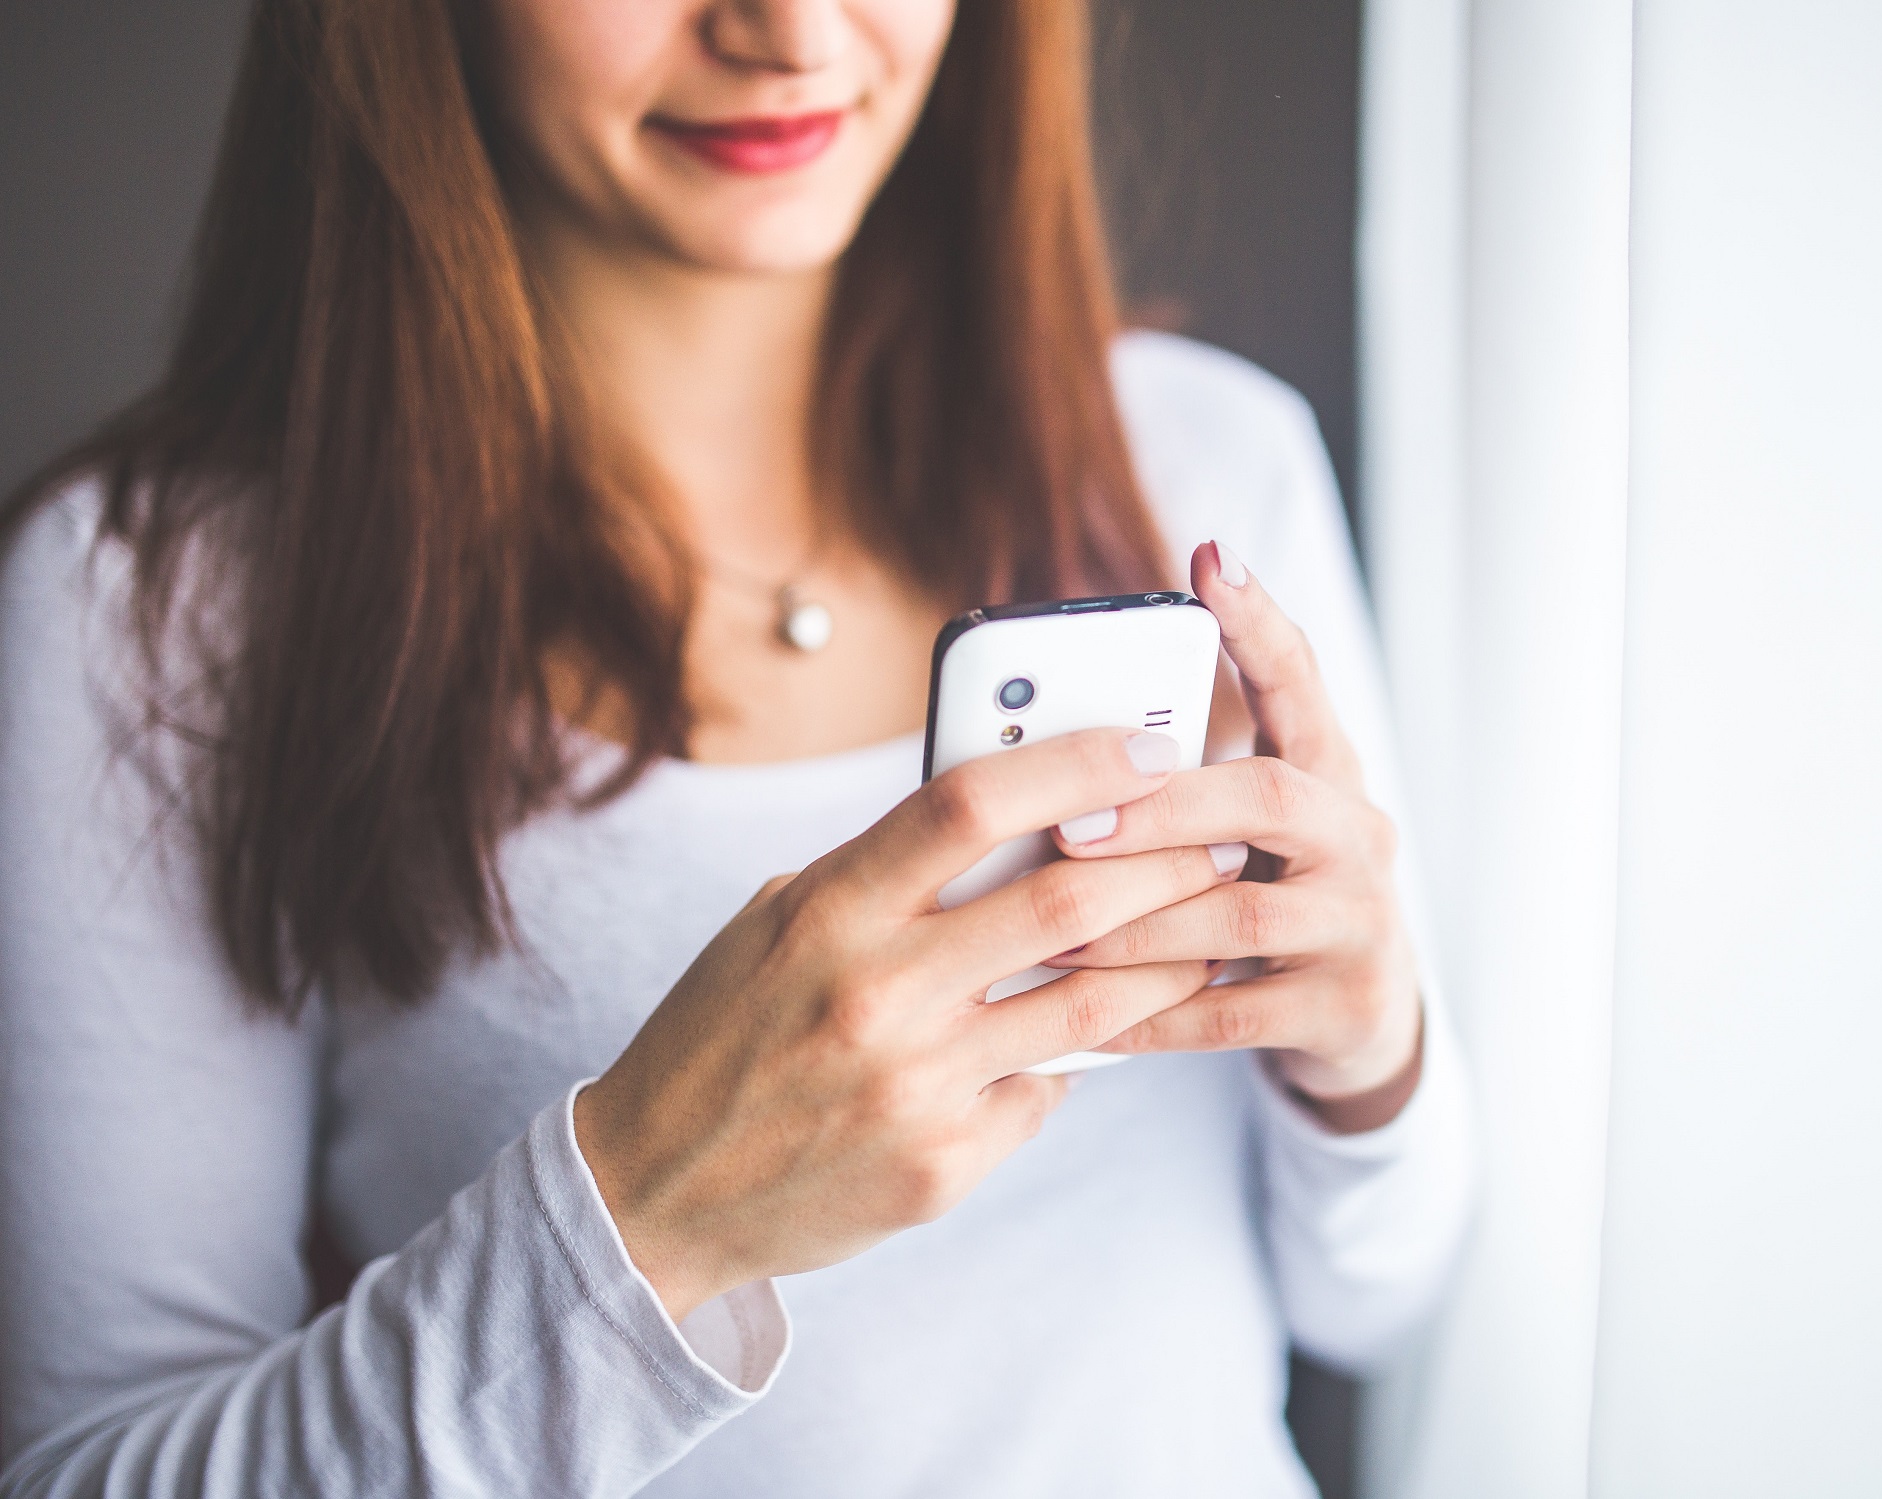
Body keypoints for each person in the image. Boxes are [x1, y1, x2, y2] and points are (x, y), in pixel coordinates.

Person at [0, 0, 1475, 1494]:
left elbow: (1379, 1295)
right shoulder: (154, 605)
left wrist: (1368, 1058)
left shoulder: (1209, 468)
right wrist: (653, 1215)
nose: (786, 34)